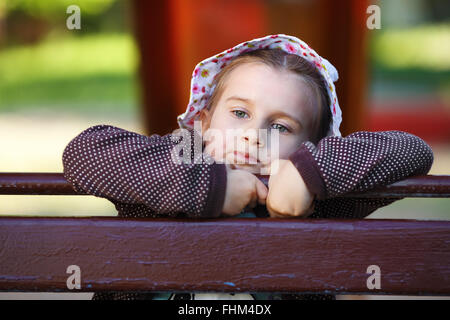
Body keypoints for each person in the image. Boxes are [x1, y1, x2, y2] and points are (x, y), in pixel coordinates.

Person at [62, 34, 434, 300]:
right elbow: (83, 151)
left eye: (280, 126)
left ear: (314, 146)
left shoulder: (320, 197)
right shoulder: (182, 155)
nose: (253, 135)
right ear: (203, 123)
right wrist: (210, 186)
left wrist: (309, 174)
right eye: (239, 113)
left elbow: (414, 151)